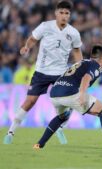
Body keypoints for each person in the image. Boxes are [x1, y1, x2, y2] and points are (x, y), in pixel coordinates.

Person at [3, 0, 83, 145]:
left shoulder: (73, 33)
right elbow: (33, 39)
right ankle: (11, 131)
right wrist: (26, 47)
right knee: (30, 101)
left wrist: (80, 67)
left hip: (61, 73)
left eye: (67, 13)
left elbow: (77, 51)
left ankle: (60, 128)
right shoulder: (45, 27)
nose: (64, 16)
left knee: (67, 102)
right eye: (61, 13)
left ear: (69, 15)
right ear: (56, 13)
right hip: (41, 71)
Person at [33, 44, 102, 152]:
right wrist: (82, 94)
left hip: (55, 92)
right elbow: (86, 78)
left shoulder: (82, 62)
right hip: (70, 92)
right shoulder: (96, 65)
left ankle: (39, 144)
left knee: (62, 117)